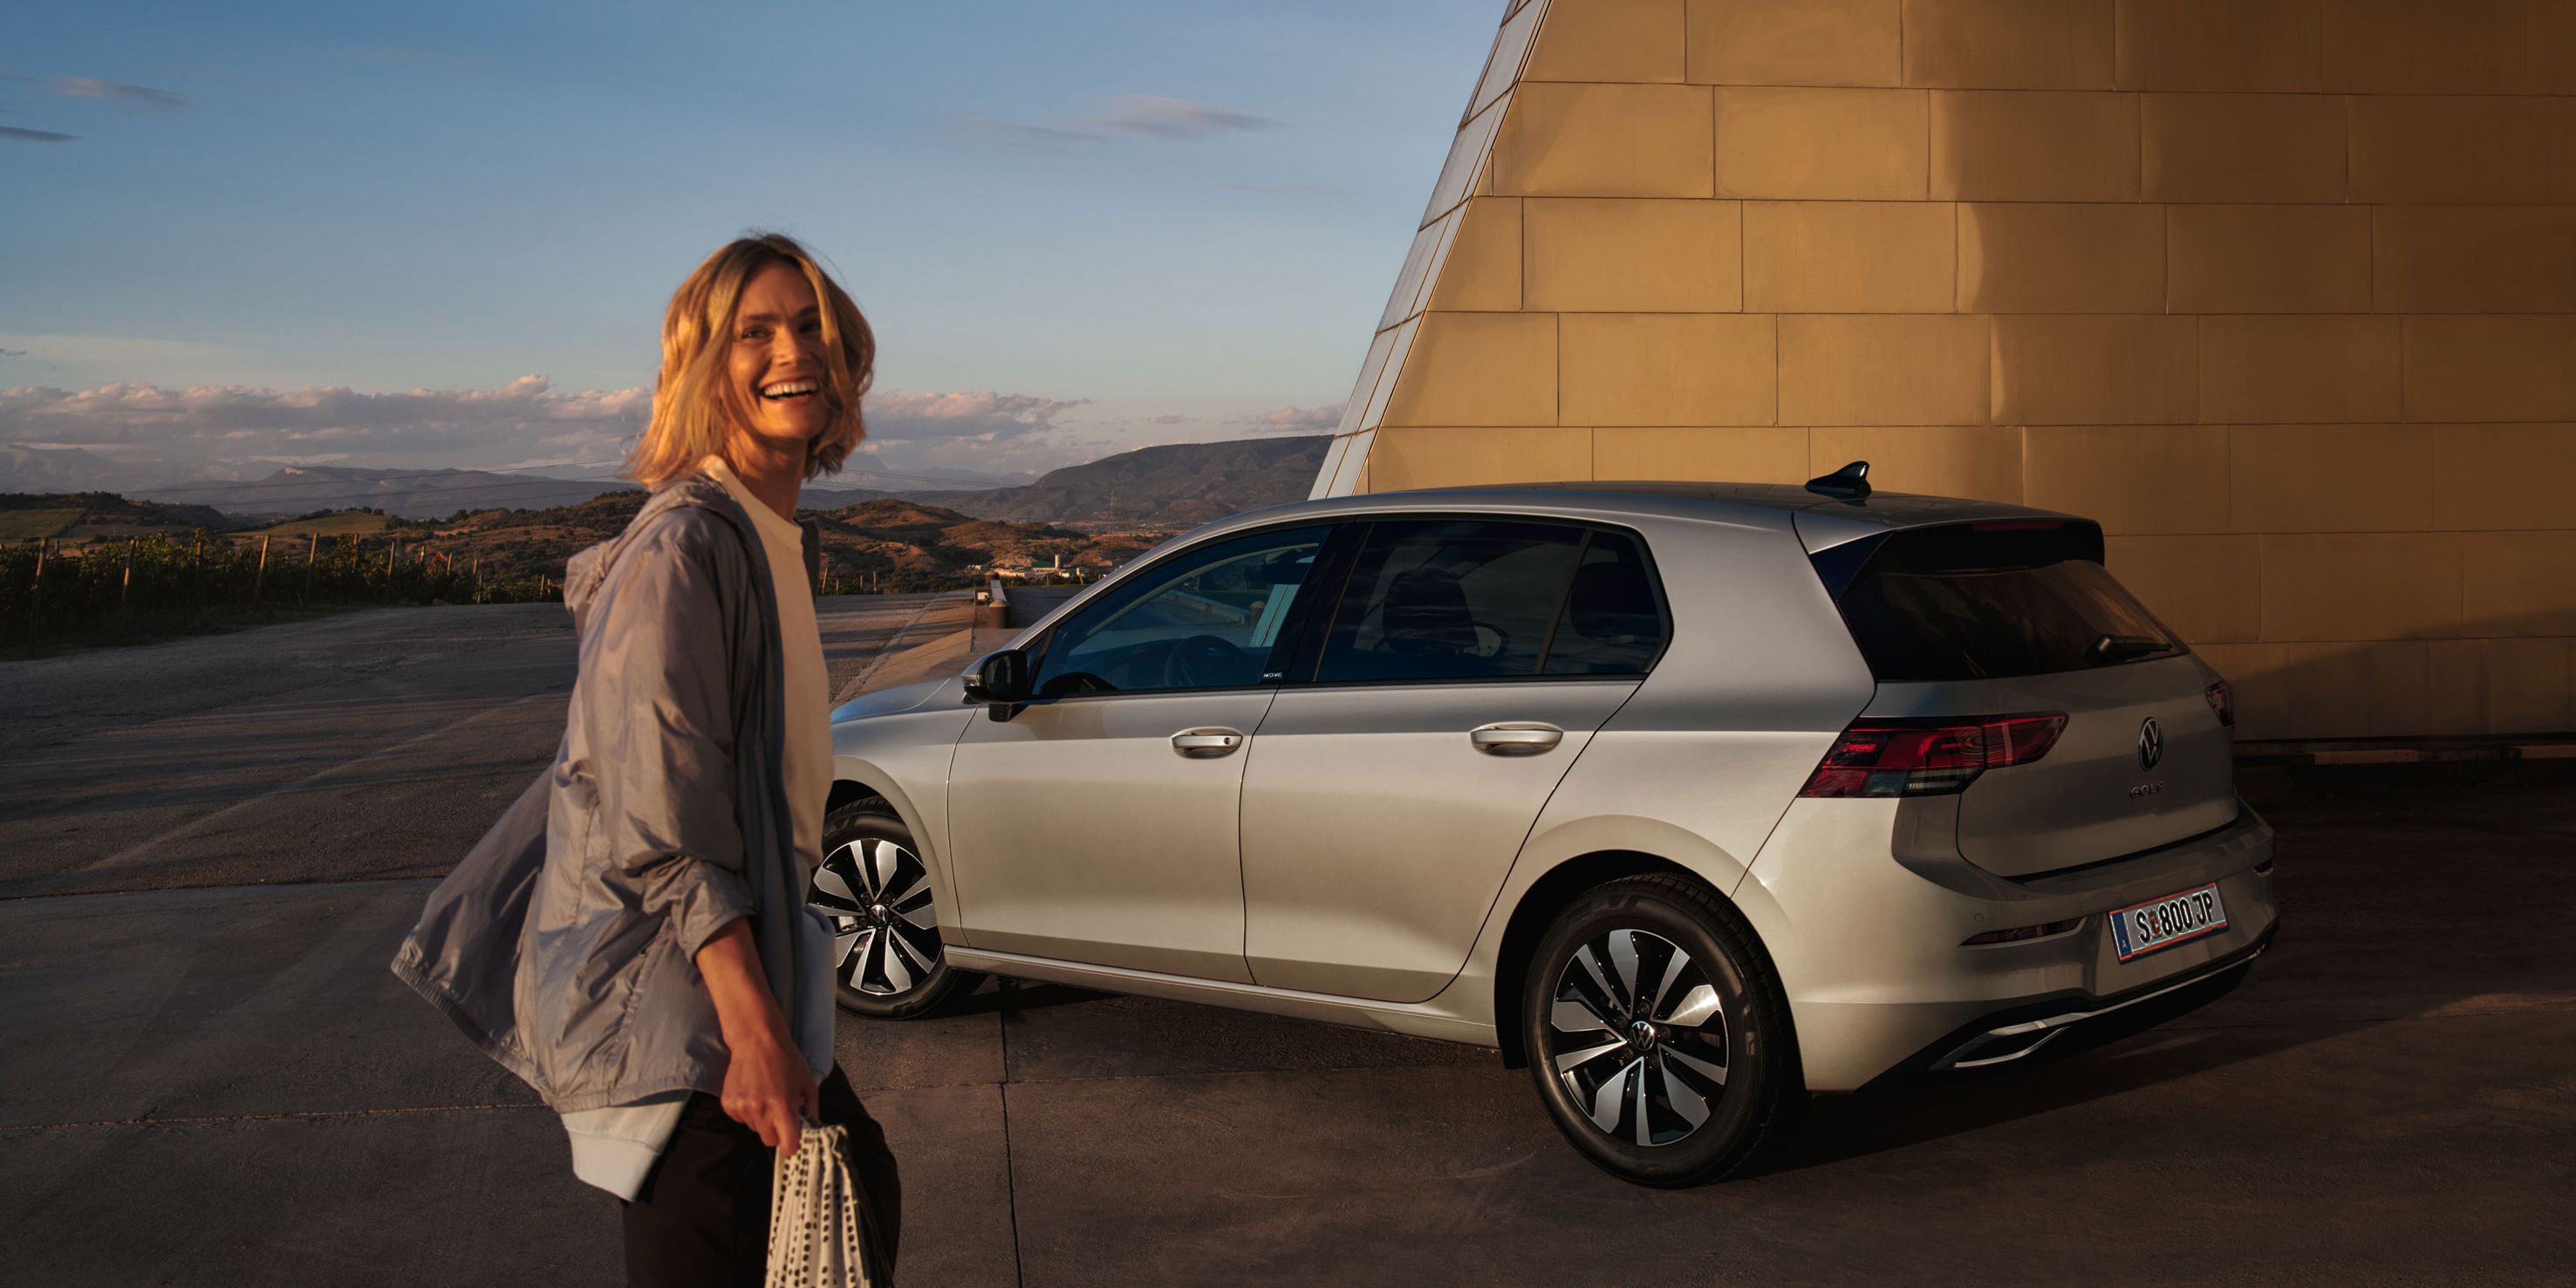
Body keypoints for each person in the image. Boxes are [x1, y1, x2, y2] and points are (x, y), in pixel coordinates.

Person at [394, 232, 899, 1285]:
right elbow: (660, 825)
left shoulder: (768, 539)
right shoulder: (684, 551)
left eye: (810, 326)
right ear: (704, 369)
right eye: (752, 332)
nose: (791, 352)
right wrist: (755, 1031)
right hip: (692, 1035)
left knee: (863, 1203)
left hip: (739, 1011)